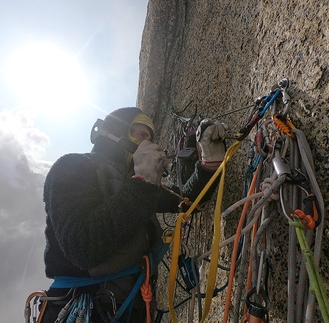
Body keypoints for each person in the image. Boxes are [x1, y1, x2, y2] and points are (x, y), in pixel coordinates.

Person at [40, 107, 228, 323]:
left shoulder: (136, 187)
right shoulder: (72, 167)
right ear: (117, 135)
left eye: (150, 138)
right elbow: (82, 246)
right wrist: (142, 182)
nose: (148, 144)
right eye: (141, 135)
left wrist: (209, 163)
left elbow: (187, 201)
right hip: (82, 308)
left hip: (131, 308)